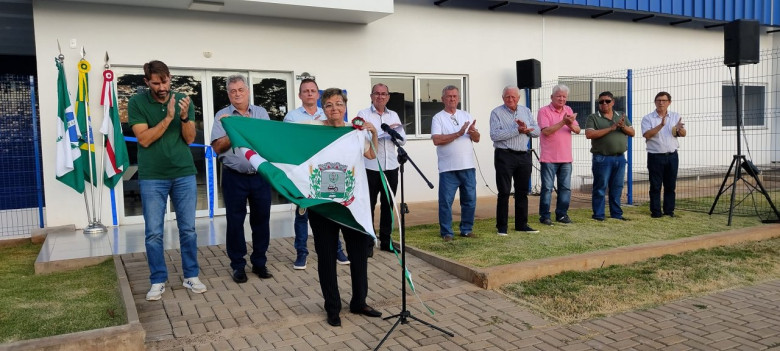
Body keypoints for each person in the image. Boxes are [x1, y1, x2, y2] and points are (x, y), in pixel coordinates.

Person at [127, 60, 207, 301]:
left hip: (183, 173)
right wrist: (168, 117)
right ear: (146, 82)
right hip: (153, 177)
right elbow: (144, 139)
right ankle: (157, 280)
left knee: (189, 230)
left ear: (170, 77)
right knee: (153, 232)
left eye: (164, 81)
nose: (161, 87)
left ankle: (191, 275)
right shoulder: (136, 102)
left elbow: (190, 138)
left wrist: (183, 118)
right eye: (155, 82)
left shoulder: (184, 99)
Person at [309, 88, 381, 327]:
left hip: (352, 204)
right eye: (328, 105)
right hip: (323, 204)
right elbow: (284, 137)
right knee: (327, 257)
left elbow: (371, 155)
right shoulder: (313, 130)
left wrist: (373, 134)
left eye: (338, 104)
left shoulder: (355, 130)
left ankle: (359, 301)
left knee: (359, 254)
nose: (334, 109)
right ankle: (332, 307)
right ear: (323, 108)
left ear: (345, 106)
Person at [210, 75, 274, 284]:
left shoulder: (261, 113)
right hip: (234, 177)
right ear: (228, 94)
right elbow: (217, 147)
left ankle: (259, 262)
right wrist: (235, 130)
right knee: (235, 222)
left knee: (261, 221)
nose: (237, 94)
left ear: (247, 91)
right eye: (233, 91)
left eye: (240, 90)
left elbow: (267, 141)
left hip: (260, 176)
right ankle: (238, 265)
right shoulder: (223, 115)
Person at [283, 78, 349, 269]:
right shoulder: (292, 117)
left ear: (318, 94)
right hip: (304, 171)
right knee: (302, 213)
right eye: (305, 91)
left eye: (313, 90)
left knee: (330, 210)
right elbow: (290, 142)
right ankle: (301, 253)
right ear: (300, 95)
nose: (309, 93)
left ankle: (337, 250)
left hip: (327, 171)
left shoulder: (328, 111)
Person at [357, 83, 406, 255]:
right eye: (377, 94)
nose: (380, 96)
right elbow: (361, 135)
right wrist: (380, 132)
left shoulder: (394, 115)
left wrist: (383, 133)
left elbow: (402, 140)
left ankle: (386, 241)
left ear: (388, 97)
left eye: (384, 94)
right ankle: (368, 242)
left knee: (388, 205)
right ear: (371, 96)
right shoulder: (363, 114)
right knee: (368, 205)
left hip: (391, 166)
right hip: (370, 167)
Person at [431, 85, 480, 241]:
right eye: (449, 96)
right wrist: (458, 133)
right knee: (446, 202)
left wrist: (473, 132)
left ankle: (466, 229)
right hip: (448, 168)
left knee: (470, 201)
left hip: (468, 166)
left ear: (458, 98)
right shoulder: (438, 118)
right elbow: (437, 140)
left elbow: (477, 138)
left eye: (454, 96)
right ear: (442, 99)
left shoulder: (466, 115)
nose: (452, 99)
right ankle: (446, 232)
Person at [489, 86, 540, 235]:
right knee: (504, 191)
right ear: (502, 98)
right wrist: (517, 130)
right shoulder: (496, 112)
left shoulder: (526, 111)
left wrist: (527, 128)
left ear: (518, 98)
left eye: (513, 97)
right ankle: (502, 227)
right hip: (504, 155)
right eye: (507, 97)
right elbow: (495, 135)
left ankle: (521, 224)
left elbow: (537, 131)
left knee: (522, 192)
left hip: (523, 155)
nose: (510, 99)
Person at [585, 91, 635, 221]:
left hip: (620, 158)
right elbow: (589, 134)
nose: (604, 104)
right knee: (600, 188)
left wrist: (622, 126)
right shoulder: (593, 117)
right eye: (601, 102)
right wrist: (611, 128)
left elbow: (632, 132)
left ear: (613, 102)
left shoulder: (621, 116)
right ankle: (599, 215)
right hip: (602, 158)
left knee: (617, 187)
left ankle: (616, 214)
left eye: (607, 101)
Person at [537, 84, 580, 226]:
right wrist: (563, 122)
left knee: (565, 188)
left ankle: (562, 214)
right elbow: (546, 131)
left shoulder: (568, 110)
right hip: (549, 158)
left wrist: (570, 123)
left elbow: (578, 130)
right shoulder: (543, 111)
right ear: (552, 97)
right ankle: (545, 216)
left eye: (564, 96)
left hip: (566, 158)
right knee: (547, 188)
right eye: (559, 96)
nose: (561, 99)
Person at [641, 91, 686, 218]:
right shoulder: (648, 118)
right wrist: (661, 125)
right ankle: (655, 212)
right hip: (655, 156)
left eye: (664, 100)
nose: (661, 103)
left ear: (669, 102)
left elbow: (682, 134)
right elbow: (647, 135)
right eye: (659, 100)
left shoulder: (675, 116)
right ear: (655, 102)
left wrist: (679, 129)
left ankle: (669, 211)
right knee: (655, 186)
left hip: (672, 156)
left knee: (670, 186)